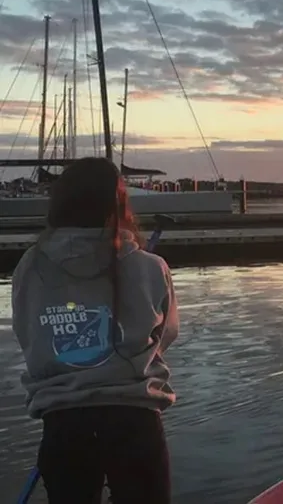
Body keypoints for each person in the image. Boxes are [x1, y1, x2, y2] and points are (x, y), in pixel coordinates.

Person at [11, 157, 179, 504]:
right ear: (118, 205)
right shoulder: (151, 267)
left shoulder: (29, 265)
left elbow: (28, 333)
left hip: (64, 424)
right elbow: (166, 335)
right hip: (135, 422)